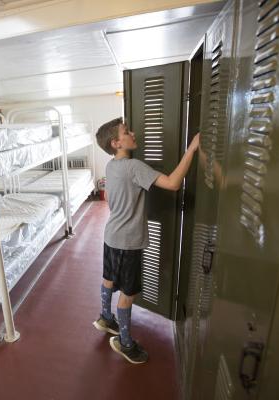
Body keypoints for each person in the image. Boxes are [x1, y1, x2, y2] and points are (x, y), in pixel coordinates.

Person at [93, 117, 200, 364]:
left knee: (109, 279)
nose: (133, 132)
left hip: (111, 235)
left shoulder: (111, 166)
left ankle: (106, 318)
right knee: (128, 293)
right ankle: (124, 342)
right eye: (126, 131)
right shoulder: (134, 167)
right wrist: (192, 149)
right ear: (116, 142)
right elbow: (173, 183)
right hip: (127, 242)